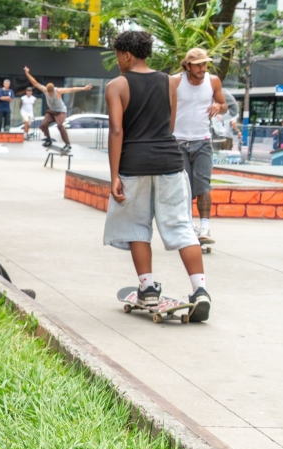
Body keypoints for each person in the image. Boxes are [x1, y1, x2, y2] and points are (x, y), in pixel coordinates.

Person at [104, 31, 209, 321]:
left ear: (125, 54)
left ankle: (148, 287)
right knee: (181, 226)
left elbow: (116, 131)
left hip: (134, 165)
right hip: (169, 162)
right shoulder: (170, 82)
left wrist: (114, 176)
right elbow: (170, 124)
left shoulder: (117, 85)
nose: (118, 61)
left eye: (117, 56)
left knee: (138, 227)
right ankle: (200, 290)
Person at [172, 48, 227, 242]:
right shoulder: (176, 81)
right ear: (187, 65)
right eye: (198, 64)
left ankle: (205, 228)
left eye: (204, 64)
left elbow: (224, 104)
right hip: (178, 141)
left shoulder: (213, 81)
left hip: (202, 140)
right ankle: (187, 226)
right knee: (183, 187)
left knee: (203, 186)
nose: (202, 68)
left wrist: (218, 106)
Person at [23, 67, 92, 152]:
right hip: (51, 112)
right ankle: (48, 139)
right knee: (43, 125)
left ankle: (67, 144)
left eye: (51, 93)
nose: (50, 94)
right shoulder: (45, 90)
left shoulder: (58, 91)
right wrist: (27, 73)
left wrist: (84, 88)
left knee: (60, 126)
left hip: (61, 112)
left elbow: (71, 89)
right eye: (49, 93)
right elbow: (35, 83)